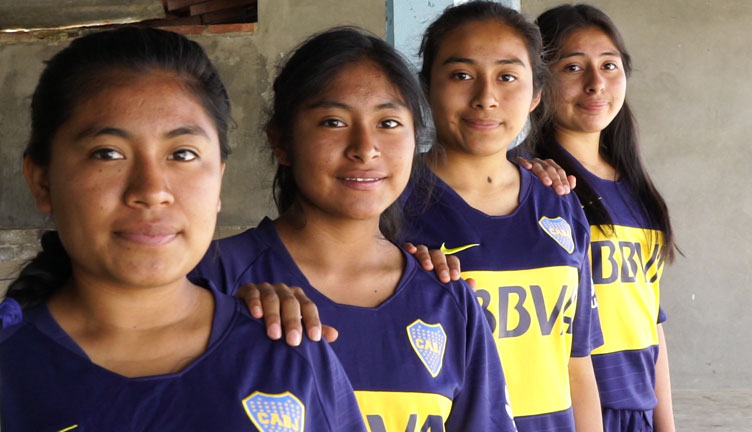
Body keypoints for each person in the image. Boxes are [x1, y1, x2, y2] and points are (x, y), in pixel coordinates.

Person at [0, 26, 365, 431]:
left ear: (219, 181)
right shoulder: (11, 370)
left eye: (183, 154)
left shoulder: (289, 350)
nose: (152, 190)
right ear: (42, 181)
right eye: (108, 153)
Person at [191, 26, 517, 431]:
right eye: (333, 122)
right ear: (281, 141)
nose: (365, 147)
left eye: (389, 123)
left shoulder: (448, 300)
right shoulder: (214, 282)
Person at [399, 1, 604, 431]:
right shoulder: (392, 207)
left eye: (507, 76)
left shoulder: (560, 202)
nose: (486, 98)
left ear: (535, 94)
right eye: (461, 75)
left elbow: (576, 362)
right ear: (425, 87)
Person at [532, 5, 677, 431]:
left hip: (637, 411)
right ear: (538, 81)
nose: (596, 84)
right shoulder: (533, 186)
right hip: (567, 410)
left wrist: (665, 422)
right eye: (573, 66)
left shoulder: (638, 192)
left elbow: (649, 321)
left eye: (609, 65)